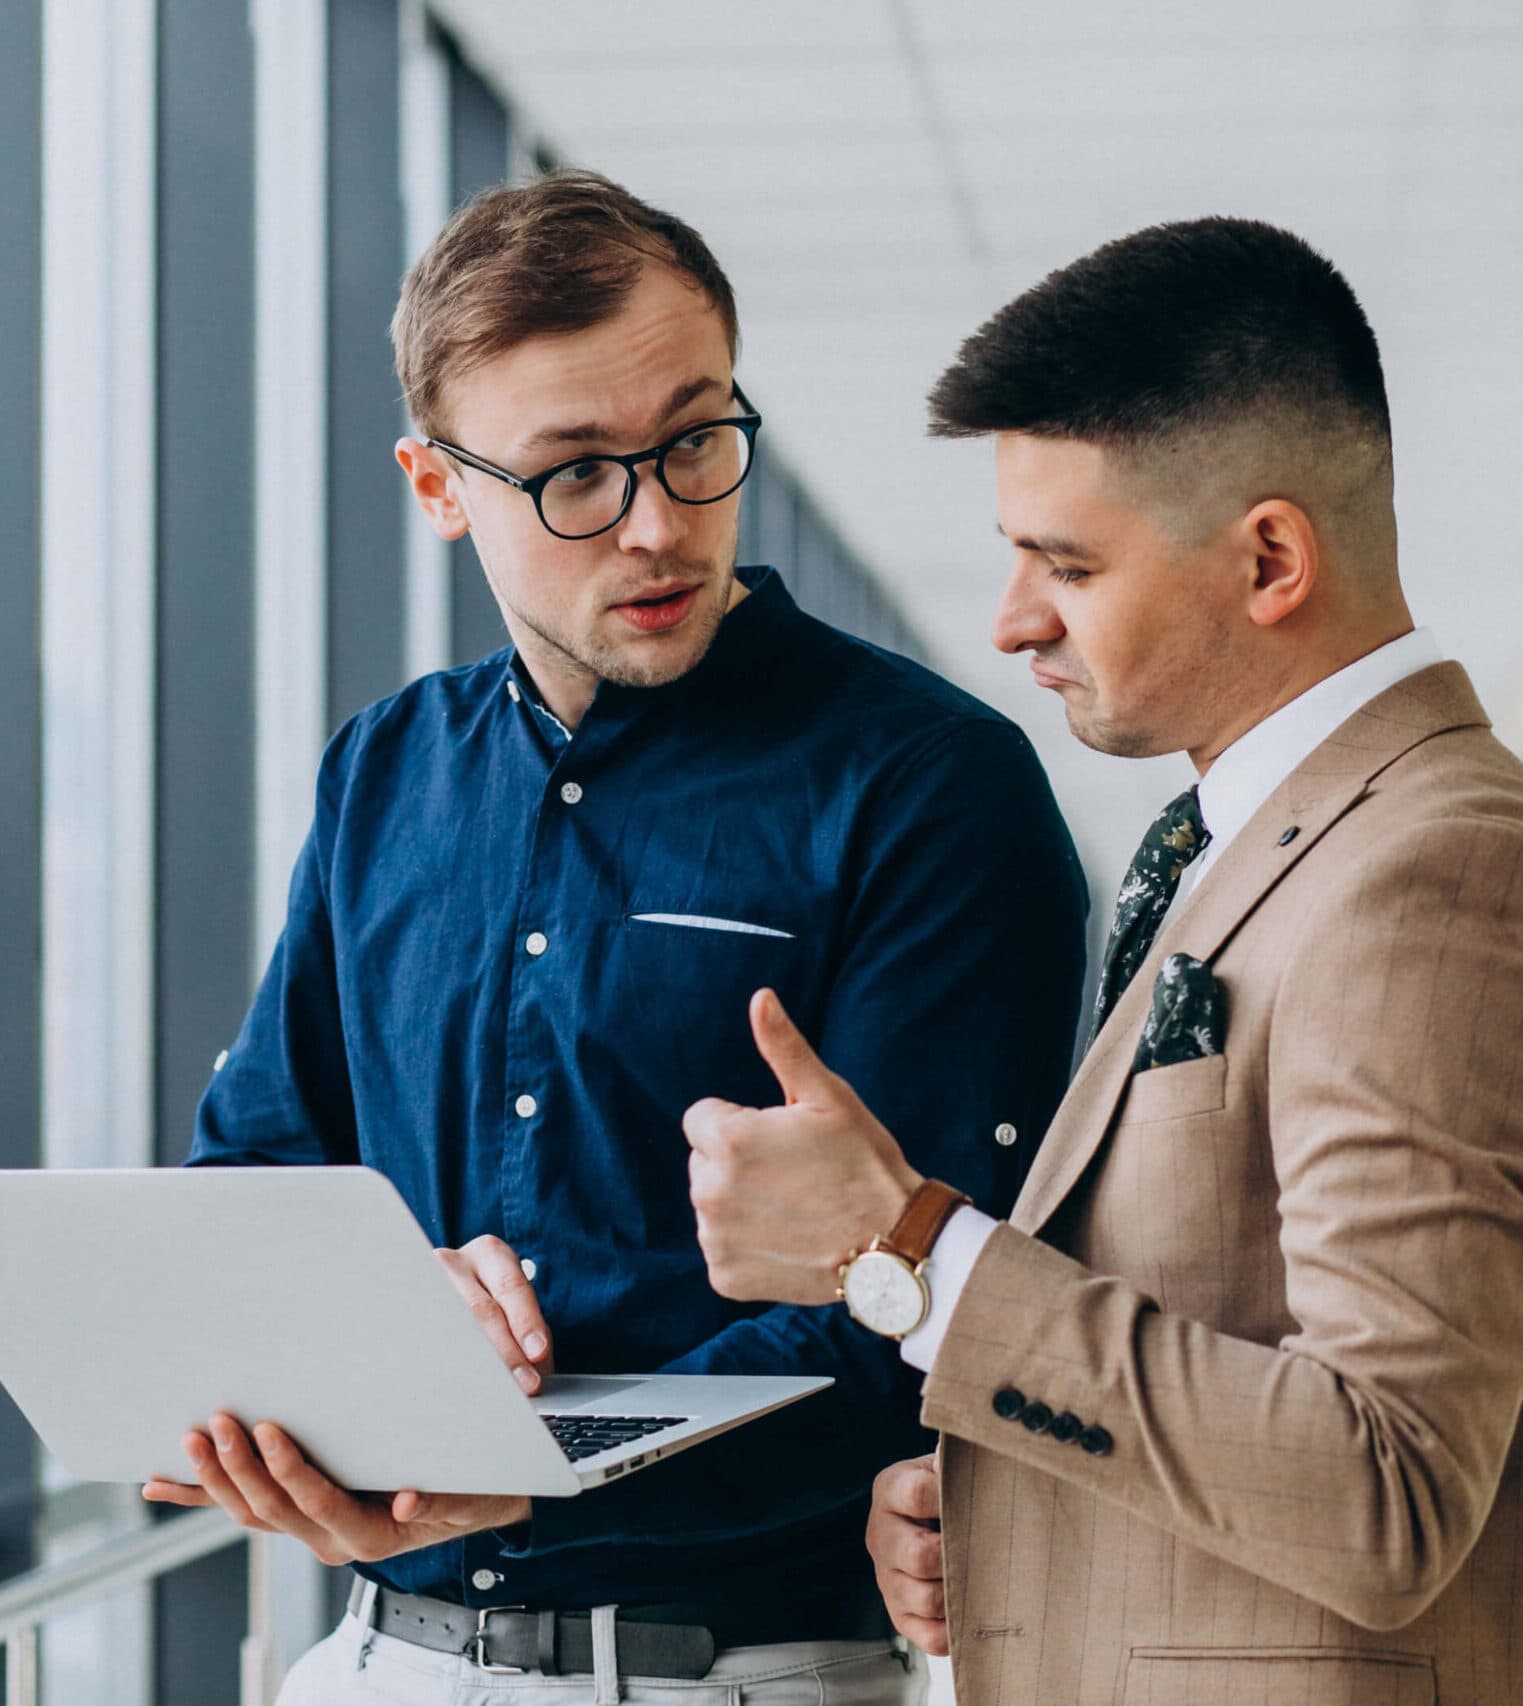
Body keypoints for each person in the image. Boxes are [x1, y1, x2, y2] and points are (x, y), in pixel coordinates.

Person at [141, 170, 1088, 1703]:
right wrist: (384, 1303)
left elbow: (934, 1316)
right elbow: (250, 1180)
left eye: (697, 440)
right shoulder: (383, 771)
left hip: (734, 1673)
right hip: (376, 1662)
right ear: (437, 487)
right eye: (576, 473)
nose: (658, 525)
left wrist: (535, 1465)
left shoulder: (929, 785)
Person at [683, 216, 1523, 1705]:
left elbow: (1388, 1485)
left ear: (1271, 558)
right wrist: (1014, 1511)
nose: (1013, 621)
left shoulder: (1430, 866)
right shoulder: (1257, 839)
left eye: (1066, 564)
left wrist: (912, 1249)